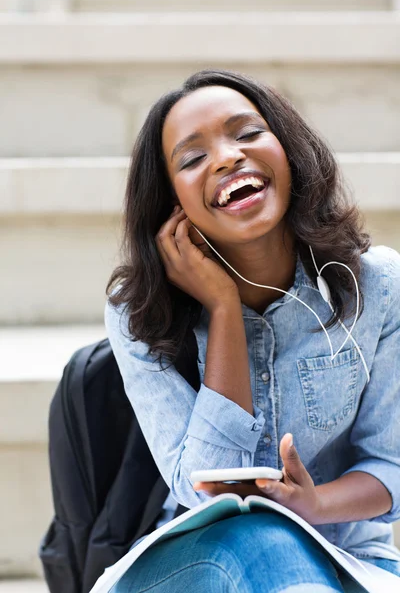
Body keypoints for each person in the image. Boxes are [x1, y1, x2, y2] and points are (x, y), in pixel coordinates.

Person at [104, 69, 400, 592]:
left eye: (246, 134)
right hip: (199, 563)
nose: (225, 158)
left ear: (288, 152)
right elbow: (209, 494)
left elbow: (390, 465)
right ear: (172, 204)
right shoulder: (135, 314)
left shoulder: (376, 286)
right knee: (265, 538)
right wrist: (223, 311)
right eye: (193, 159)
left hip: (349, 557)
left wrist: (313, 504)